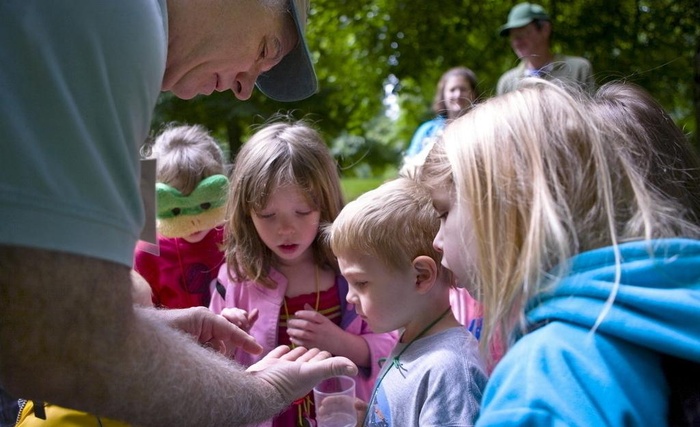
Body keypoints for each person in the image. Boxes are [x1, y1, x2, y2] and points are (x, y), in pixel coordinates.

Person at [0, 0, 360, 426]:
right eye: (267, 49)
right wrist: (262, 391)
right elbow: (68, 337)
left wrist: (152, 327)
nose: (246, 89)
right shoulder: (127, 19)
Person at [422, 79, 700, 425]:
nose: (436, 240)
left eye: (444, 212)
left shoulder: (541, 381)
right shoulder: (672, 303)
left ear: (508, 210)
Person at [209, 120, 397, 427]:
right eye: (267, 215)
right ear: (246, 213)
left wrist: (342, 343)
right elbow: (215, 366)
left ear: (325, 204)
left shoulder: (349, 267)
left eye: (303, 212)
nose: (286, 229)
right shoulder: (236, 278)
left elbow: (392, 343)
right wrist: (224, 338)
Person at [327, 176, 488, 426]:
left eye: (361, 283)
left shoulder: (449, 369)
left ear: (420, 277)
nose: (349, 297)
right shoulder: (413, 339)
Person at [134, 123, 228, 309]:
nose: (194, 220)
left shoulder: (234, 237)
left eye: (203, 204)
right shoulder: (147, 253)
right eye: (177, 209)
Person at [496, 2, 595, 95]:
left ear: (545, 29)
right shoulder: (507, 83)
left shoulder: (578, 69)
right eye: (513, 37)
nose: (517, 42)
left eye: (522, 33)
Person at [402, 67, 478, 171]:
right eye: (452, 90)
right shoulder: (427, 131)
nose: (458, 94)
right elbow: (408, 169)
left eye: (463, 89)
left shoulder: (482, 128)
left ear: (473, 93)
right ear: (443, 94)